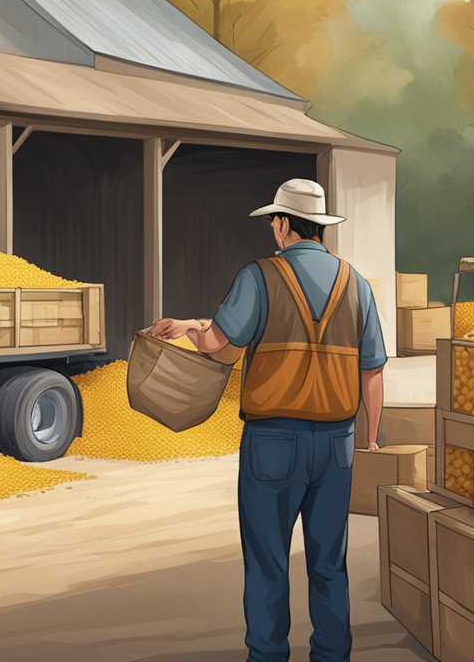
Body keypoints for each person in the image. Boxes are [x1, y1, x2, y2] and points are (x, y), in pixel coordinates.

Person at [150, 178, 386, 662]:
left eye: (273, 221)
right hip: (337, 443)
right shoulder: (356, 284)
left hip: (272, 442)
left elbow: (223, 346)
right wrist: (373, 437)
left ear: (282, 225)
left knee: (267, 563)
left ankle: (267, 656)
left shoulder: (259, 277)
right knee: (328, 563)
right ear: (319, 228)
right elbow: (373, 370)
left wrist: (192, 328)